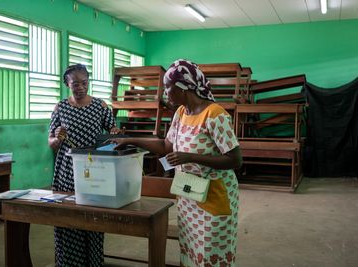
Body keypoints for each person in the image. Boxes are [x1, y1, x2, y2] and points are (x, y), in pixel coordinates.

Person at [112, 59, 242, 266]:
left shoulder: (215, 115)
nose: (164, 93)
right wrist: (130, 140)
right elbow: (166, 147)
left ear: (183, 87)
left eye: (167, 88)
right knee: (190, 250)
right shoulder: (181, 113)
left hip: (214, 196)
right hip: (189, 196)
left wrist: (190, 157)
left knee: (211, 253)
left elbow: (235, 160)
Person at [48, 64, 121, 266]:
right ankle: (69, 262)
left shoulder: (100, 106)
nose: (80, 87)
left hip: (94, 168)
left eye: (84, 83)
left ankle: (93, 261)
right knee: (67, 215)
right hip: (67, 169)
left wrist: (115, 131)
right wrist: (58, 137)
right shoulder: (60, 107)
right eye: (75, 84)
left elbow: (113, 130)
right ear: (67, 85)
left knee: (93, 214)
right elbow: (51, 143)